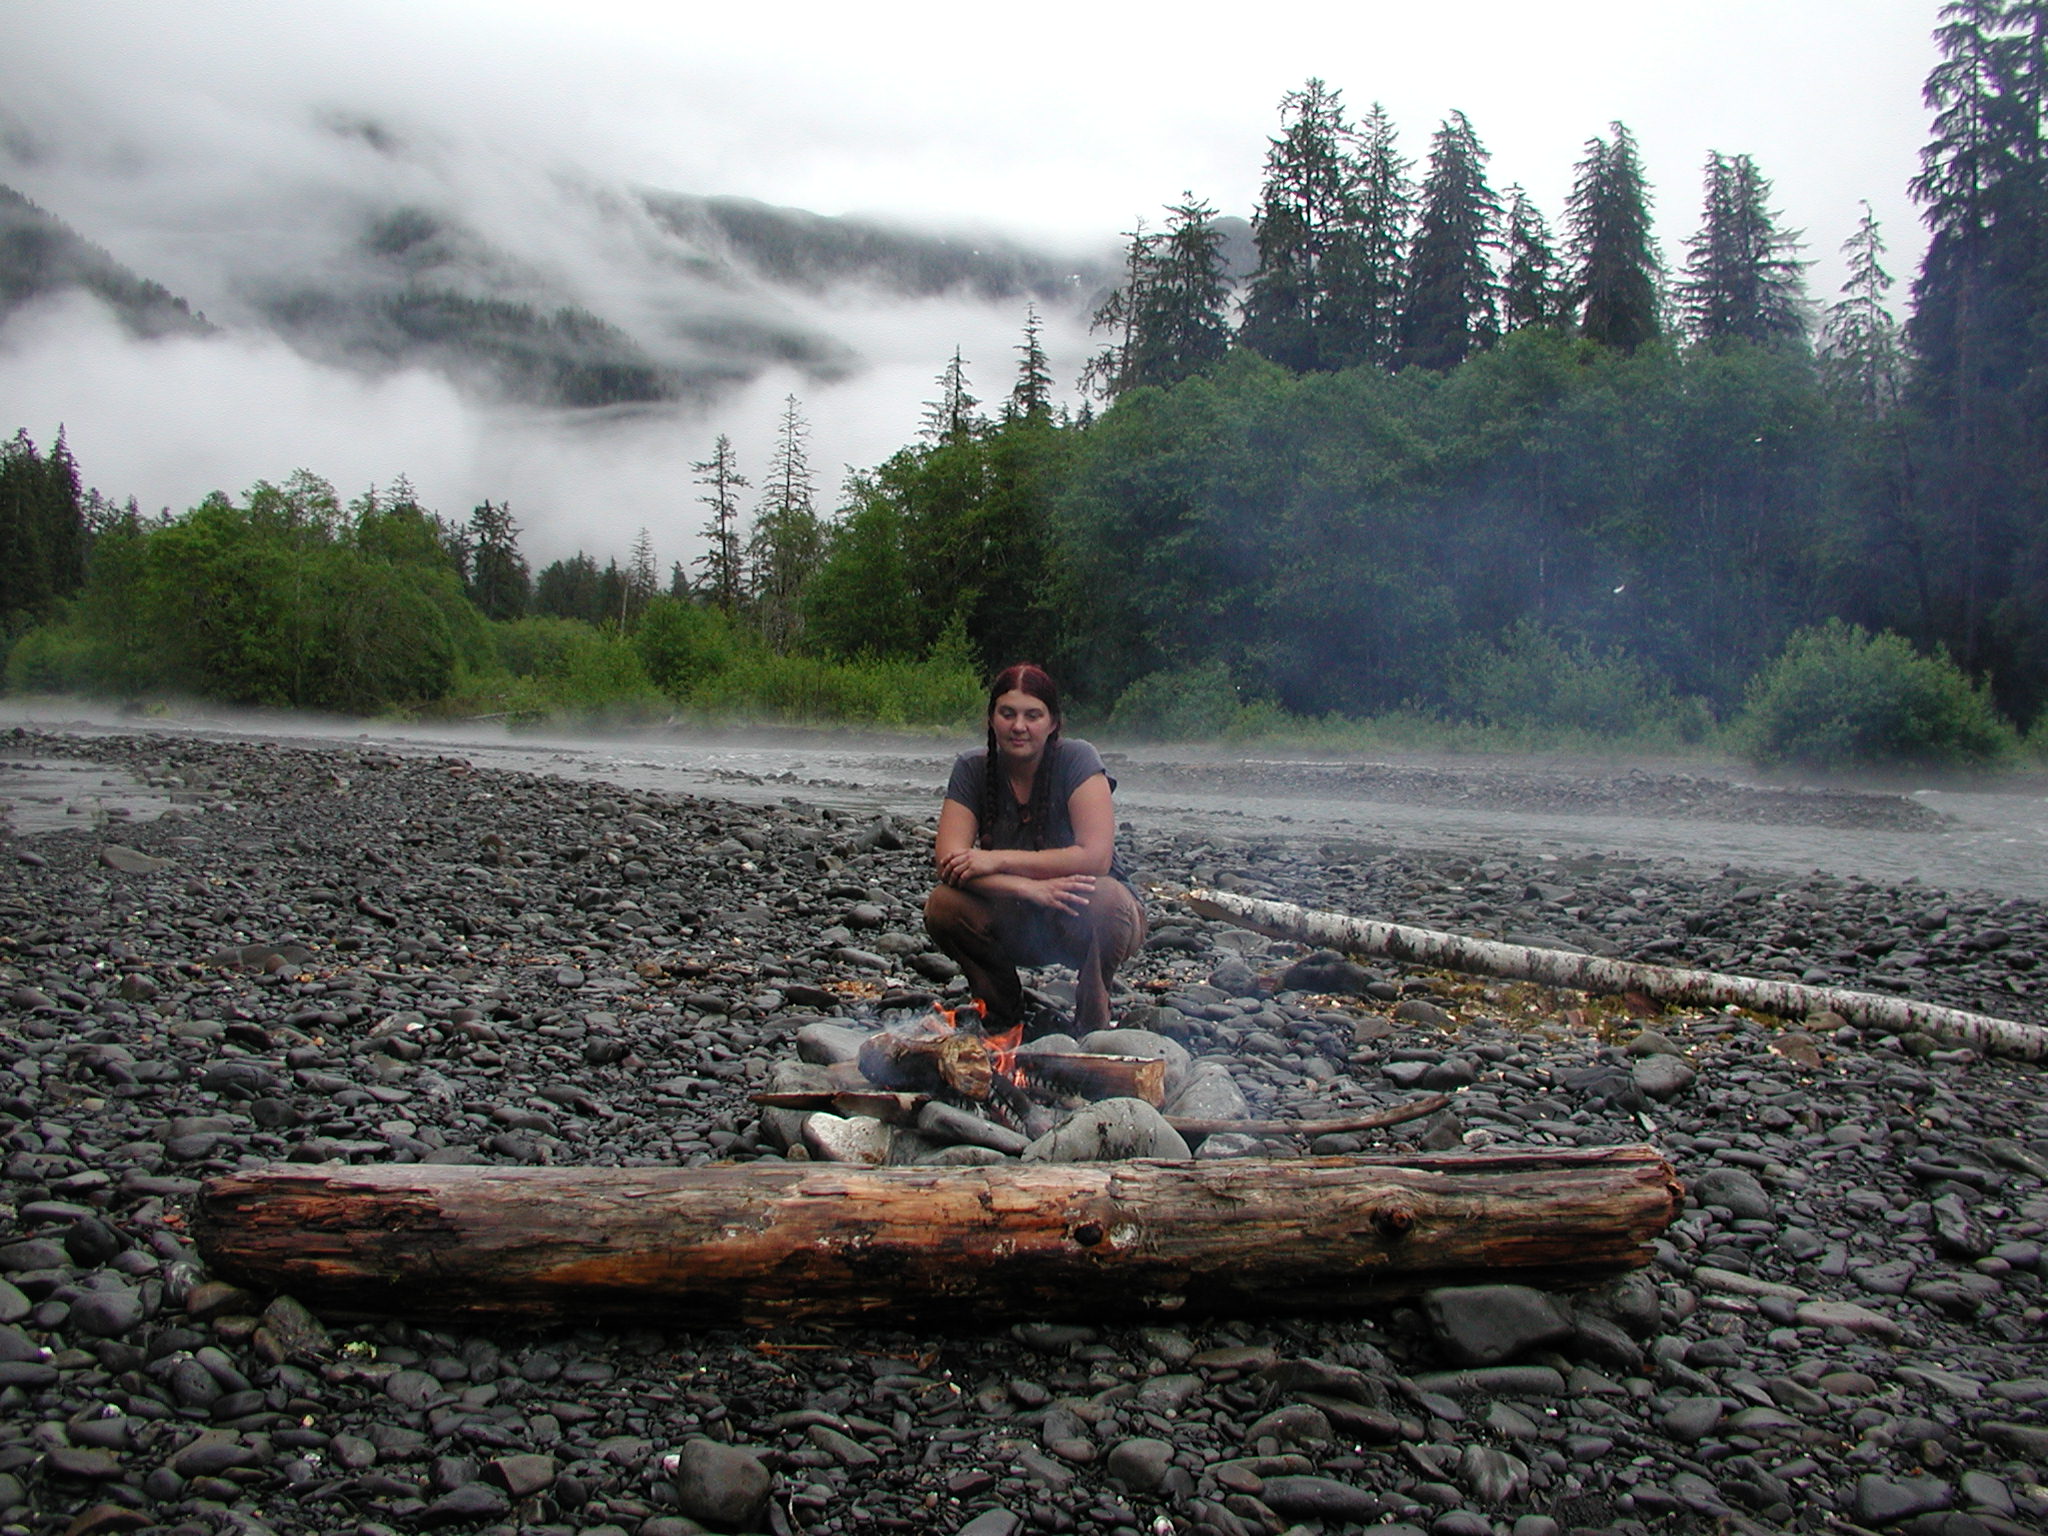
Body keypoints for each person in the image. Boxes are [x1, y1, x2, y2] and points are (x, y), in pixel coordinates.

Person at [924, 663, 1147, 1037]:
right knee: (943, 904)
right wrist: (1026, 888)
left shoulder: (1078, 759)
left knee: (1107, 896)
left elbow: (1096, 858)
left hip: (1082, 918)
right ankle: (1002, 1012)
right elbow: (949, 862)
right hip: (1015, 915)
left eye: (1033, 715)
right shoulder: (972, 768)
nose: (1019, 726)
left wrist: (997, 859)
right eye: (1007, 713)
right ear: (992, 718)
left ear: (1053, 722)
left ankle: (1093, 1012)